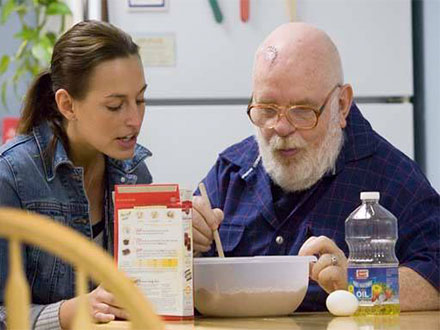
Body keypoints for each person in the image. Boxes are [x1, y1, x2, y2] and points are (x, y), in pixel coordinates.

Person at [192, 23, 439, 312]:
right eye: (267, 109)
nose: (281, 128)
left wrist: (358, 285)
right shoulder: (230, 172)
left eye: (302, 111)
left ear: (342, 105)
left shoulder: (392, 178)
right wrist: (185, 242)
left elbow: (436, 277)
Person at [0, 20, 152, 328]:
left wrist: (188, 237)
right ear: (67, 104)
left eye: (139, 100)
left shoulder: (135, 170)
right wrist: (68, 312)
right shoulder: (12, 177)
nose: (134, 120)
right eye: (114, 106)